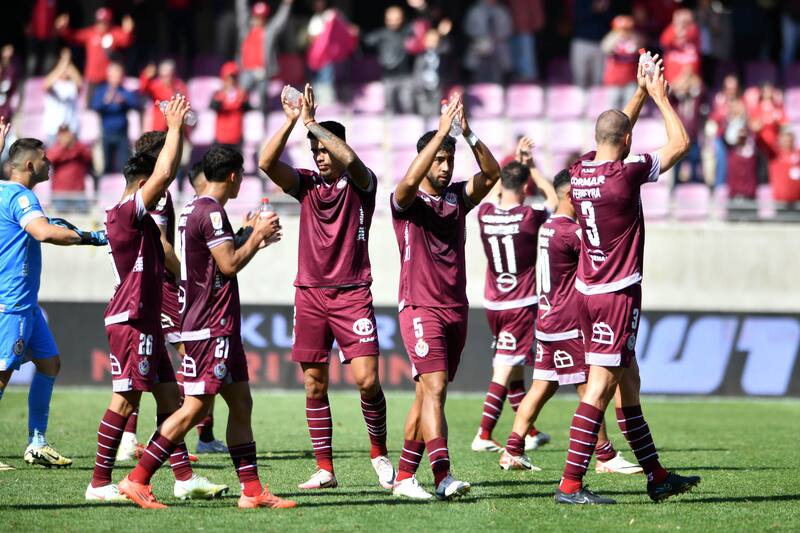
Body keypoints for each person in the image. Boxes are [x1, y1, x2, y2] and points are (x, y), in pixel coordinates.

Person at [554, 57, 700, 505]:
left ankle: (656, 475)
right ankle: (571, 485)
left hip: (588, 290)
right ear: (628, 141)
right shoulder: (626, 175)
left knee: (628, 381)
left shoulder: (580, 172)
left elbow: (616, 134)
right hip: (618, 293)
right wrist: (658, 95)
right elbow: (681, 143)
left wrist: (636, 94)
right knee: (600, 388)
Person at [117, 145, 294, 510]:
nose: (241, 182)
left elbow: (211, 263)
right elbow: (228, 266)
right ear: (232, 176)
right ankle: (136, 479)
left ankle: (252, 491)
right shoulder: (211, 212)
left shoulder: (193, 208)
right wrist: (257, 237)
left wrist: (248, 234)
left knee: (241, 403)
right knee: (194, 409)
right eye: (241, 176)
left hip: (218, 324)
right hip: (209, 326)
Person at [87, 98, 229, 503]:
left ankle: (183, 478)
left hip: (146, 317)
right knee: (125, 397)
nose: (163, 188)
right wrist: (174, 127)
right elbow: (165, 171)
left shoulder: (138, 216)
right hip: (130, 317)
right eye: (156, 183)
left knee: (170, 398)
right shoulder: (125, 212)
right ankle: (99, 483)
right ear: (143, 182)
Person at [258, 84, 394, 491]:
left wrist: (313, 122)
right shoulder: (306, 184)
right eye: (314, 151)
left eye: (324, 149)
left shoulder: (361, 183)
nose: (319, 157)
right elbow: (266, 161)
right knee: (314, 383)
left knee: (368, 379)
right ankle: (325, 469)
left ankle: (379, 452)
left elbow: (350, 159)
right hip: (311, 294)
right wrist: (290, 121)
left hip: (352, 293)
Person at [390, 95, 501, 500]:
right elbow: (404, 184)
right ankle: (442, 476)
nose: (445, 165)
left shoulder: (456, 198)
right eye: (438, 159)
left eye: (448, 159)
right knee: (435, 388)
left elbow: (492, 173)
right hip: (420, 306)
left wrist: (466, 133)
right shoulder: (407, 203)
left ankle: (404, 477)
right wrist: (440, 133)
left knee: (427, 395)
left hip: (456, 308)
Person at [498, 169, 641, 477]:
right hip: (567, 322)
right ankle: (605, 455)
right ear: (568, 195)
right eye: (578, 193)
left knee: (541, 387)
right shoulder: (572, 233)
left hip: (547, 318)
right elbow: (600, 261)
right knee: (590, 389)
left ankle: (512, 449)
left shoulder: (548, 226)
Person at [114, 132, 228, 461]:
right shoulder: (157, 197)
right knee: (190, 353)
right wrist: (187, 276)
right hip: (162, 287)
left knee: (153, 367)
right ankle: (175, 434)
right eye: (171, 151)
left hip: (140, 286)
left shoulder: (137, 195)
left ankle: (151, 441)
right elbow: (162, 244)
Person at [0, 125, 107, 471]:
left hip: (25, 304)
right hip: (11, 303)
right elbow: (42, 231)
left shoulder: (4, 191)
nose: (50, 163)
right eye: (45, 159)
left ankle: (37, 442)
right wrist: (89, 237)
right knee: (1, 374)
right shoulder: (21, 197)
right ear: (29, 166)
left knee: (49, 363)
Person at [471, 139, 556, 454]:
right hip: (520, 303)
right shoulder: (530, 217)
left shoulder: (485, 214)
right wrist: (532, 167)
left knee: (515, 366)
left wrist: (515, 168)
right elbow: (553, 197)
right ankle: (484, 433)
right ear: (524, 188)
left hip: (493, 303)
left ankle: (529, 430)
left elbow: (496, 192)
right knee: (505, 369)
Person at [55, 8, 134, 99]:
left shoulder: (113, 34)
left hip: (107, 80)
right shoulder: (90, 33)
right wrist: (63, 29)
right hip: (92, 79)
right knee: (90, 107)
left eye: (104, 22)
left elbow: (126, 40)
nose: (101, 24)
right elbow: (73, 37)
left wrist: (128, 31)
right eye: (99, 21)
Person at [240, 0, 293, 111]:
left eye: (262, 17)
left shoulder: (269, 31)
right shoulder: (245, 30)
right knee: (241, 96)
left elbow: (280, 20)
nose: (258, 19)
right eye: (257, 16)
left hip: (262, 71)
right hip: (246, 70)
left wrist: (286, 4)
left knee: (263, 98)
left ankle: (263, 120)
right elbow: (242, 11)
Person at [363, 6, 414, 113]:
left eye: (397, 19)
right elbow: (367, 40)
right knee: (390, 107)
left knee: (407, 105)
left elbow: (422, 25)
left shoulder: (407, 31)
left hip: (405, 75)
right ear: (386, 19)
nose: (393, 22)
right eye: (390, 19)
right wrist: (356, 33)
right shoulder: (381, 33)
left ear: (403, 19)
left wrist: (421, 7)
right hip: (388, 76)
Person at [91, 62, 139, 174]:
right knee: (105, 166)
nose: (115, 79)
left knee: (123, 166)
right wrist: (106, 101)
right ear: (108, 76)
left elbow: (136, 104)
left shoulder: (125, 92)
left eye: (118, 76)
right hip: (106, 133)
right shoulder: (101, 91)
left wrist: (124, 101)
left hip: (122, 134)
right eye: (113, 76)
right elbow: (95, 106)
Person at [463, 0, 513, 84]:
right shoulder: (475, 11)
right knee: (475, 52)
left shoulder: (501, 11)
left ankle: (502, 81)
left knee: (503, 54)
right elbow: (468, 28)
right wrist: (481, 36)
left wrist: (496, 37)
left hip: (498, 42)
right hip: (480, 41)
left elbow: (507, 29)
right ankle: (473, 80)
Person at [601, 15, 642, 111]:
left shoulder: (635, 39)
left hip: (630, 79)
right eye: (622, 29)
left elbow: (641, 50)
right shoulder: (611, 39)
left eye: (627, 29)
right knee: (613, 107)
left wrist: (635, 40)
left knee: (630, 107)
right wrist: (616, 37)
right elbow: (606, 48)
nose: (624, 32)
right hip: (614, 80)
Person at [47, 126, 92, 213]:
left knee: (83, 220)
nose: (66, 136)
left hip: (78, 192)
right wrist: (63, 147)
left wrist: (74, 146)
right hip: (60, 193)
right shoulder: (54, 148)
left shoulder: (79, 146)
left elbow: (88, 157)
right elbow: (50, 159)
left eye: (67, 133)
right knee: (60, 221)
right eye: (62, 134)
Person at [571, 0, 615, 88]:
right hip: (581, 42)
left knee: (599, 81)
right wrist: (593, 7)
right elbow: (575, 15)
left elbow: (614, 20)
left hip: (602, 44)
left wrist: (605, 9)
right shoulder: (581, 2)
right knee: (580, 81)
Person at [43, 49, 82, 145]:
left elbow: (80, 84)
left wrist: (67, 61)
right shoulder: (54, 83)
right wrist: (62, 65)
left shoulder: (72, 84)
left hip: (71, 129)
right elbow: (46, 85)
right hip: (54, 130)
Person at [413, 27, 451, 123]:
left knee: (435, 114)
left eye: (435, 40)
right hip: (422, 89)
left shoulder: (442, 53)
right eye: (429, 40)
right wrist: (418, 86)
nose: (432, 42)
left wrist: (443, 35)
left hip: (436, 87)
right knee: (422, 113)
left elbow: (447, 48)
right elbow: (417, 72)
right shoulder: (420, 56)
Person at [139, 60, 189, 132]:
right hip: (159, 125)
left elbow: (185, 103)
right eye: (162, 76)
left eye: (168, 75)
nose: (165, 79)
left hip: (176, 124)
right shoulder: (156, 85)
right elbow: (143, 90)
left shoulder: (180, 86)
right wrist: (146, 76)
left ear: (173, 74)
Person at [211, 62, 251, 148]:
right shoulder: (218, 94)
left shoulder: (241, 94)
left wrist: (243, 98)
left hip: (236, 137)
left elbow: (248, 108)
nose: (231, 81)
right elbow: (213, 107)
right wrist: (223, 95)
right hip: (220, 138)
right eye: (228, 78)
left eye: (233, 78)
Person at [659, 8, 701, 85]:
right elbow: (663, 42)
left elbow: (692, 34)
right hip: (672, 79)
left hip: (690, 79)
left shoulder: (694, 29)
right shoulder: (670, 30)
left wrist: (685, 24)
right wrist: (677, 25)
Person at [508, 0, 544, 82]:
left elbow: (536, 7)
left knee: (527, 59)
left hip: (526, 28)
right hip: (511, 29)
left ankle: (529, 84)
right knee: (514, 60)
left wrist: (537, 23)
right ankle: (516, 84)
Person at [764, 128, 800, 206]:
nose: (787, 140)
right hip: (780, 202)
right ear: (780, 140)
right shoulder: (774, 154)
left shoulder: (798, 154)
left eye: (789, 138)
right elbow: (764, 143)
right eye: (784, 138)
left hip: (798, 202)